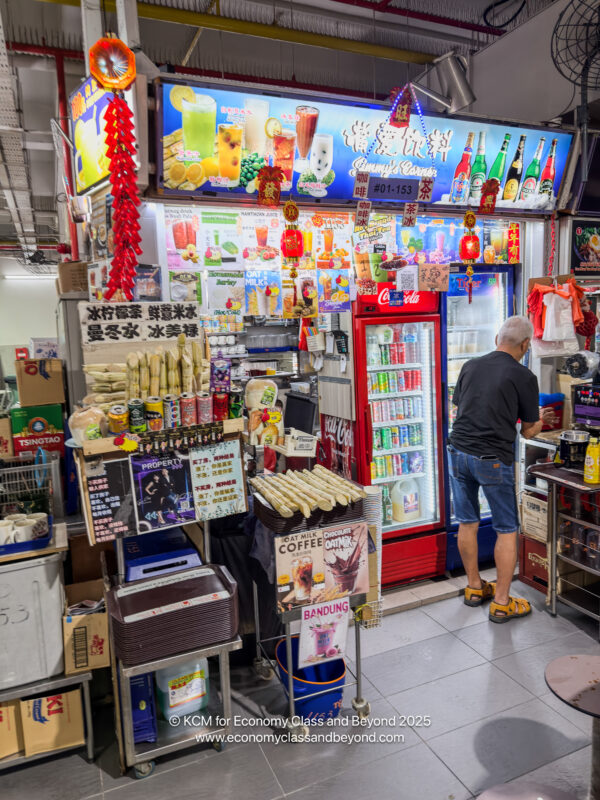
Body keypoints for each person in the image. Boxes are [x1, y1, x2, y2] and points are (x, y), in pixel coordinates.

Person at [448, 315, 557, 623]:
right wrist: (541, 421)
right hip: (492, 458)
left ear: (497, 338)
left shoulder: (470, 365)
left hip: (458, 451)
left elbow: (462, 407)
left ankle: (473, 587)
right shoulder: (523, 376)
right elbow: (527, 432)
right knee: (507, 528)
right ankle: (501, 602)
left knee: (467, 522)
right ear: (525, 345)